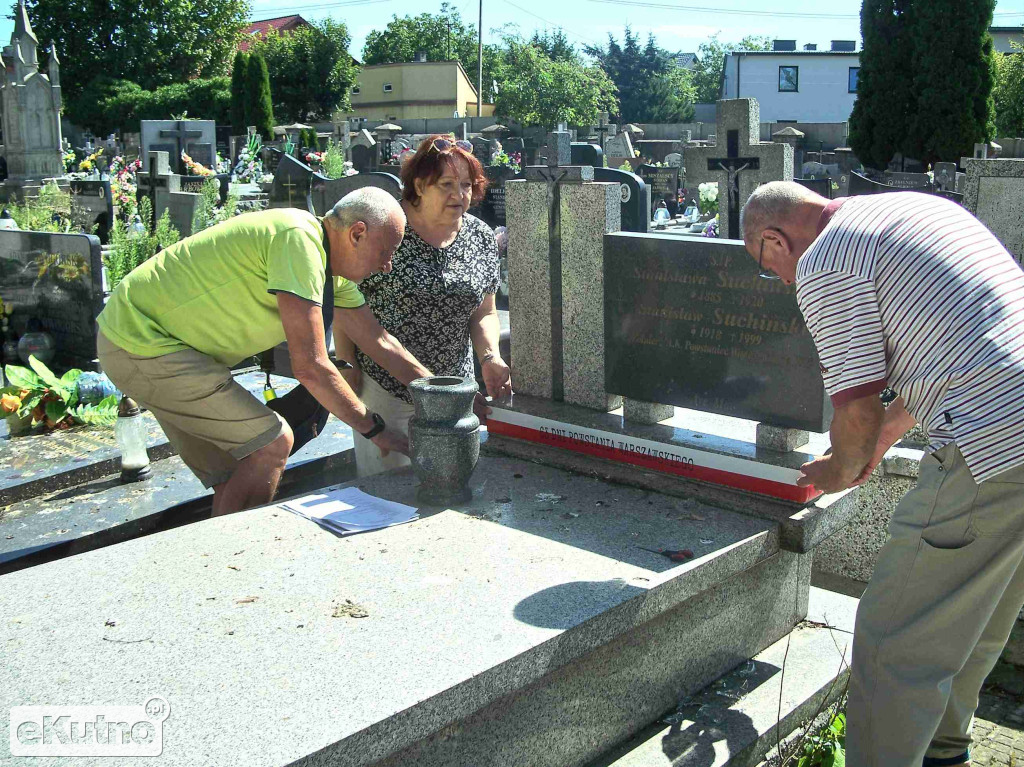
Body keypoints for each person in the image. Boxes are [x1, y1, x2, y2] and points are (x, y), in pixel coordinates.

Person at [740, 181, 1024, 767]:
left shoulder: (826, 258)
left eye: (771, 269)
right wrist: (879, 443)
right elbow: (959, 346)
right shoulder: (913, 208)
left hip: (991, 443)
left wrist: (839, 468)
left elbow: (858, 408)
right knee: (967, 620)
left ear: (774, 238)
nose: (785, 283)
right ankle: (944, 753)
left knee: (894, 639)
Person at [96, 188, 432, 515]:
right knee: (270, 445)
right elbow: (311, 366)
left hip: (160, 346)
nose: (387, 265)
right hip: (141, 340)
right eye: (387, 250)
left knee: (243, 468)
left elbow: (381, 343)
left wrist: (442, 392)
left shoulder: (330, 271)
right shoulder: (298, 239)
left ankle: (223, 566)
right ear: (358, 233)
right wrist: (374, 429)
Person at [335, 135, 512, 477]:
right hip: (388, 390)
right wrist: (346, 362)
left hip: (455, 389)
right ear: (419, 184)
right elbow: (347, 302)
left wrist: (490, 356)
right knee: (388, 493)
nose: (459, 195)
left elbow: (485, 310)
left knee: (452, 487)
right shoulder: (388, 229)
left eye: (466, 185)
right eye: (446, 184)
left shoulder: (479, 237)